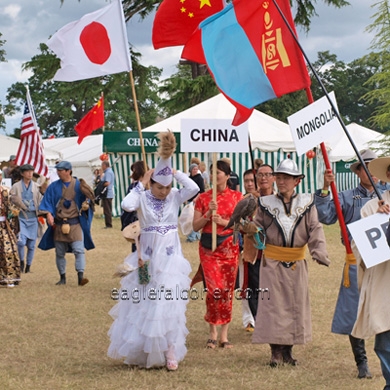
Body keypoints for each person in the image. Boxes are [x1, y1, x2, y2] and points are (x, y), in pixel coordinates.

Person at [107, 133, 199, 371]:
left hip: (170, 257)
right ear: (152, 183)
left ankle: (170, 350)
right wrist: (141, 184)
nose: (164, 192)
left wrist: (176, 173)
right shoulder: (143, 197)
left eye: (168, 187)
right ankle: (143, 348)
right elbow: (126, 205)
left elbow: (195, 187)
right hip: (146, 255)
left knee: (167, 303)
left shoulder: (175, 197)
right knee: (145, 302)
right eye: (160, 187)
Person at [246, 159, 329, 366]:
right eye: (279, 177)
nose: (281, 181)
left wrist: (319, 251)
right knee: (273, 306)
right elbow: (257, 228)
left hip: (296, 263)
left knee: (294, 306)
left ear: (297, 181)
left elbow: (315, 228)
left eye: (286, 178)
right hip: (272, 262)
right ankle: (275, 351)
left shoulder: (307, 203)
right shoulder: (265, 204)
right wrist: (251, 230)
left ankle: (288, 351)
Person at [314, 149, 379, 379]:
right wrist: (324, 188)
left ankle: (384, 357)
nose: (369, 171)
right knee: (354, 312)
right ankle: (361, 362)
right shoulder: (346, 196)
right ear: (358, 171)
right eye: (364, 166)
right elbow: (325, 216)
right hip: (356, 261)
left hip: (384, 264)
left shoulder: (388, 195)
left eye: (373, 166)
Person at [193, 159, 243, 349]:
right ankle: (212, 331)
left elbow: (243, 225)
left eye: (218, 172)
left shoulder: (238, 197)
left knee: (227, 291)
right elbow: (194, 226)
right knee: (214, 290)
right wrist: (207, 216)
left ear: (227, 176)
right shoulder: (204, 198)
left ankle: (224, 334)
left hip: (230, 248)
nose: (214, 176)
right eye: (212, 172)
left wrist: (223, 221)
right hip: (209, 249)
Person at [352, 156, 390, 390]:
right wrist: (378, 220)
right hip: (383, 284)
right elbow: (361, 249)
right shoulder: (370, 208)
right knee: (386, 340)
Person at [38, 161, 95, 286]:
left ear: (68, 171)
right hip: (59, 223)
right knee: (59, 252)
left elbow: (89, 200)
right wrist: (48, 214)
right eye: (57, 170)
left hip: (75, 223)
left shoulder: (79, 185)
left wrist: (87, 205)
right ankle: (62, 277)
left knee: (79, 250)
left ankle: (81, 277)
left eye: (61, 170)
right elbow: (47, 202)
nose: (58, 173)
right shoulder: (53, 187)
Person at [239, 165, 276, 332]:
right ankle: (260, 323)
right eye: (260, 175)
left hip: (276, 253)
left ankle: (273, 321)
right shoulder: (249, 200)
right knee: (255, 289)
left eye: (267, 174)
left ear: (273, 178)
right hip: (254, 252)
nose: (263, 178)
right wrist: (248, 226)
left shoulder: (281, 200)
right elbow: (238, 222)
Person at [10, 164, 43, 273]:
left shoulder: (37, 187)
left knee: (32, 244)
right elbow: (11, 201)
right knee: (20, 242)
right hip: (21, 218)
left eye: (31, 171)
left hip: (33, 217)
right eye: (27, 172)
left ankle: (28, 266)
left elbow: (41, 201)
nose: (30, 174)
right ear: (22, 173)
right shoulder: (16, 186)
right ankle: (22, 261)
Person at [0, 174, 21, 288]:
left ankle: (10, 277)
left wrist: (13, 214)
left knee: (8, 251)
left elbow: (12, 209)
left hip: (4, 226)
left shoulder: (6, 192)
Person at [186, 163, 204, 242]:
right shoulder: (189, 178)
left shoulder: (200, 178)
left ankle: (192, 237)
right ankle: (197, 236)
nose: (195, 170)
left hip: (197, 201)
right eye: (194, 169)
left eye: (196, 169)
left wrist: (196, 198)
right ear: (190, 170)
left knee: (194, 219)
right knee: (189, 219)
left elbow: (202, 191)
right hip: (190, 201)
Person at [101, 161, 115, 229]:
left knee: (107, 210)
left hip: (107, 194)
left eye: (102, 165)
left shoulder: (108, 172)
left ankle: (109, 224)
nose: (101, 167)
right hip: (108, 193)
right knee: (107, 209)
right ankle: (108, 223)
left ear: (105, 165)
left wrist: (100, 185)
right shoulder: (107, 172)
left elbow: (107, 183)